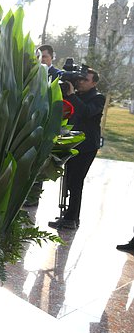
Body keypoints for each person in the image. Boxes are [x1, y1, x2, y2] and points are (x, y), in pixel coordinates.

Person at [49, 67, 105, 230]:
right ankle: (69, 216)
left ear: (94, 83)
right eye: (80, 79)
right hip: (71, 142)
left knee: (76, 181)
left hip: (87, 147)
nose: (81, 82)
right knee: (68, 180)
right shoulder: (76, 95)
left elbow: (86, 112)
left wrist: (72, 95)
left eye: (85, 80)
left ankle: (71, 218)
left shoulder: (98, 98)